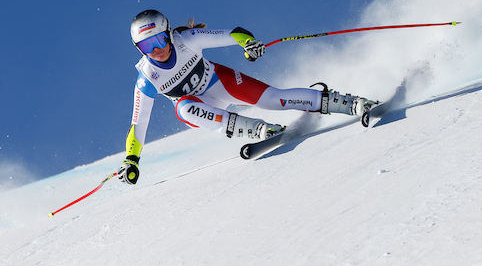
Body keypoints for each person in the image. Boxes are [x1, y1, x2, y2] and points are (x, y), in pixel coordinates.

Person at [118, 10, 372, 184]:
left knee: (276, 99)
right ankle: (259, 131)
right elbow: (138, 124)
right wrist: (132, 160)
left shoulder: (187, 40)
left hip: (220, 83)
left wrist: (249, 44)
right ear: (138, 50)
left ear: (169, 33)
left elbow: (234, 33)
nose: (158, 50)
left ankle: (352, 104)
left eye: (160, 40)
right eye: (147, 47)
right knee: (183, 108)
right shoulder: (147, 78)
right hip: (202, 108)